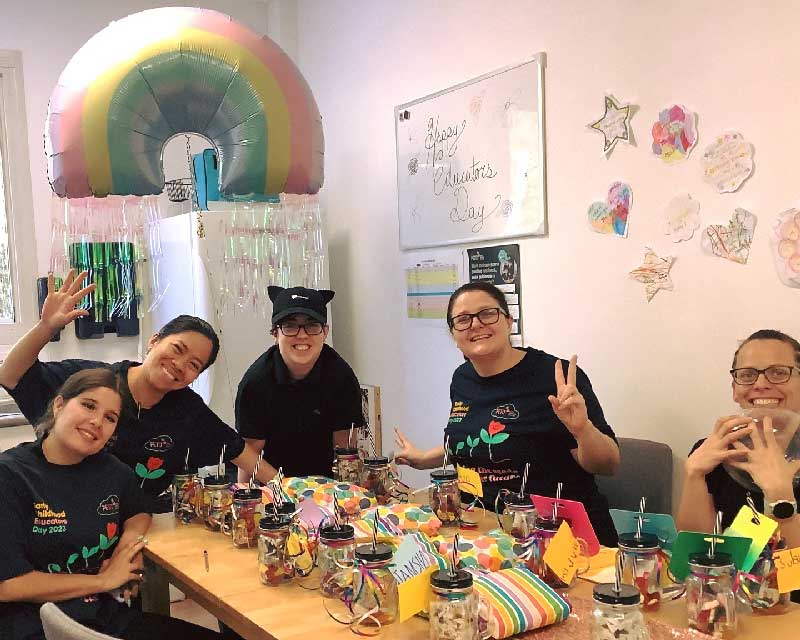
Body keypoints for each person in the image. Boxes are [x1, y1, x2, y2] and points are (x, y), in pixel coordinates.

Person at [0, 270, 272, 512]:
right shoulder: (91, 381)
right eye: (177, 349)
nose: (179, 365)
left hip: (141, 527)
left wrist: (292, 490)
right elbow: (11, 375)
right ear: (154, 341)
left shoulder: (188, 410)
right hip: (61, 521)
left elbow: (239, 451)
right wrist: (46, 327)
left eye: (194, 365)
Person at [393, 281, 620, 545]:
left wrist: (583, 430)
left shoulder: (554, 377)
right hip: (485, 531)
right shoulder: (462, 378)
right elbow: (468, 444)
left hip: (560, 537)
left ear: (509, 321)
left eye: (487, 314)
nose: (476, 324)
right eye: (463, 320)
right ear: (454, 335)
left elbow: (609, 464)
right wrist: (422, 458)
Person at [0, 368, 221, 639]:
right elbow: (9, 584)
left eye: (110, 418)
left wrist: (127, 550)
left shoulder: (111, 470)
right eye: (88, 405)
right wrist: (104, 580)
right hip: (38, 626)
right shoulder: (10, 475)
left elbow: (139, 511)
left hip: (107, 617)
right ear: (59, 405)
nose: (96, 422)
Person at [676, 329, 800, 548]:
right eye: (747, 375)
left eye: (779, 372)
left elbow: (789, 577)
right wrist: (694, 474)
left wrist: (781, 498)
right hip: (727, 581)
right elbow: (694, 554)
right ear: (735, 389)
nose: (760, 384)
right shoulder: (716, 452)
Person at [235, 285, 365, 480]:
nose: (302, 335)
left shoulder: (341, 378)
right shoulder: (256, 382)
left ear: (325, 332)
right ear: (275, 333)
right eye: (290, 325)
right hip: (271, 485)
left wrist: (351, 498)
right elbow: (249, 455)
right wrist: (245, 498)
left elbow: (345, 453)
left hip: (327, 485)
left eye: (312, 325)